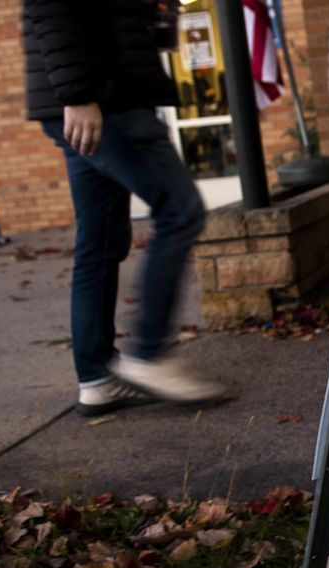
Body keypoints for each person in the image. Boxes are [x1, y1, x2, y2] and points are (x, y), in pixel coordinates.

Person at [22, 0, 227, 416]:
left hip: (97, 95)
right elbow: (51, 9)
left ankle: (97, 379)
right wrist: (79, 95)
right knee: (180, 210)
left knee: (98, 240)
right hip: (104, 99)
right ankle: (148, 355)